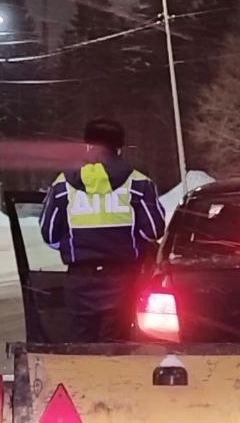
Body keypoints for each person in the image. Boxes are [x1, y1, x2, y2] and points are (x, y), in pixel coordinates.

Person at [40, 119, 166, 342]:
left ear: (88, 145)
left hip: (80, 280)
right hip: (123, 279)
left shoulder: (63, 184)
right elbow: (153, 231)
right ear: (119, 147)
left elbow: (49, 234)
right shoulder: (139, 183)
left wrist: (77, 245)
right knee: (116, 346)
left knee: (82, 346)